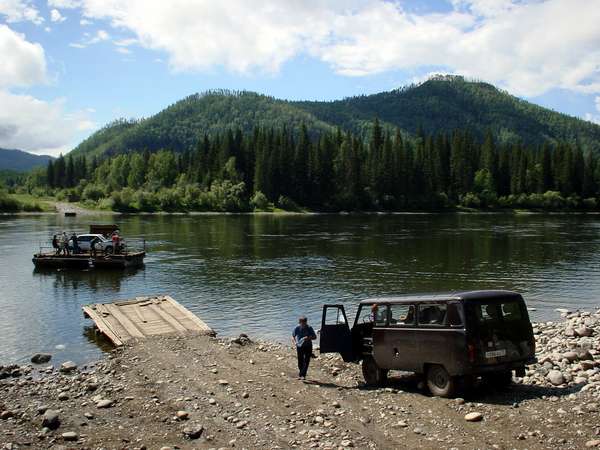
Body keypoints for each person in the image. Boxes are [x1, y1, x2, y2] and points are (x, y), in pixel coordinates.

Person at [292, 316, 317, 380]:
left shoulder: (309, 328)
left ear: (306, 322)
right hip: (299, 346)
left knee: (306, 360)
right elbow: (293, 336)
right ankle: (301, 373)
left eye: (304, 323)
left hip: (308, 346)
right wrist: (294, 342)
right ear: (299, 322)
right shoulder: (297, 328)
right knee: (300, 361)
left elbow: (315, 337)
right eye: (301, 323)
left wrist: (308, 338)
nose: (303, 324)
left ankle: (303, 375)